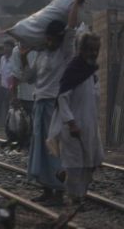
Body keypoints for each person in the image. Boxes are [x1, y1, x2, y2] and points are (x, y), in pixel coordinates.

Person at [24, 0, 83, 205]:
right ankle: (46, 189)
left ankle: (58, 192)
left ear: (58, 38)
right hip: (39, 104)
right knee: (39, 148)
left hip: (53, 105)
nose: (49, 41)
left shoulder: (64, 52)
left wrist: (75, 5)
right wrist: (22, 57)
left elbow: (72, 29)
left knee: (53, 149)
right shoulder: (41, 54)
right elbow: (29, 77)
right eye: (47, 38)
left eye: (52, 38)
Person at [47, 32, 103, 205]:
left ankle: (71, 184)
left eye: (96, 50)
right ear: (82, 50)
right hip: (73, 126)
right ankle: (75, 198)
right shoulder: (73, 69)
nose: (93, 53)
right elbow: (63, 99)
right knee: (75, 164)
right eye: (90, 50)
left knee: (92, 161)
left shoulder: (93, 73)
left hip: (90, 126)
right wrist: (71, 123)